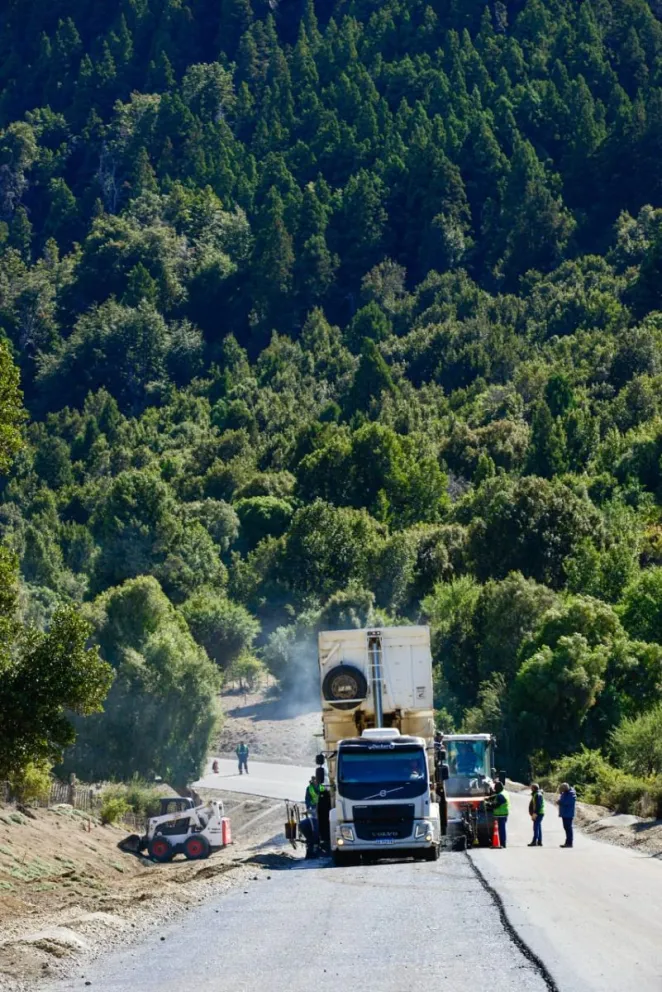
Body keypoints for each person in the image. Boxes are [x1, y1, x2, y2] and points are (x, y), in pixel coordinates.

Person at [558, 782, 577, 848]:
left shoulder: (571, 794)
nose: (562, 792)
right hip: (565, 813)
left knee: (568, 828)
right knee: (566, 828)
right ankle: (567, 842)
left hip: (568, 814)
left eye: (562, 790)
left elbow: (567, 802)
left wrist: (560, 802)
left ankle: (569, 843)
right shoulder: (566, 793)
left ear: (565, 789)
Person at [491, 782, 510, 848]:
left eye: (495, 788)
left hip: (500, 814)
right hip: (504, 813)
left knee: (501, 829)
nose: (495, 790)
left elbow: (500, 802)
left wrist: (492, 805)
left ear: (498, 788)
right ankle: (502, 842)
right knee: (502, 829)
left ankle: (502, 843)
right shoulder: (504, 792)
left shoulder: (500, 795)